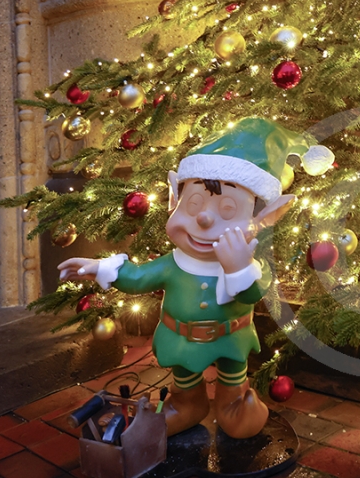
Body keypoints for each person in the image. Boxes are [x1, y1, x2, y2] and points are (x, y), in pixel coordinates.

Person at [58, 118, 332, 438]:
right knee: (184, 384)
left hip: (231, 339)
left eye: (227, 209)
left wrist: (238, 268)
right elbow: (138, 277)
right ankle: (187, 404)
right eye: (194, 204)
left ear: (265, 218)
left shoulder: (251, 266)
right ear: (174, 201)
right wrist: (102, 268)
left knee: (234, 388)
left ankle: (235, 404)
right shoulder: (174, 263)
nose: (203, 218)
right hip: (181, 341)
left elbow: (252, 294)